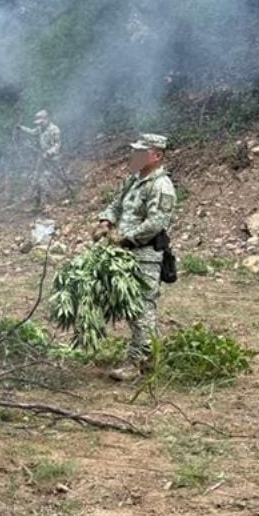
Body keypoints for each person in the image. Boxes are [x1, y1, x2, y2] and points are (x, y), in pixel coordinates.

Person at [93, 134, 177, 381]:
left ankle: (137, 363)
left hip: (145, 255)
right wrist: (105, 222)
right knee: (131, 307)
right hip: (125, 254)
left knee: (142, 308)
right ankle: (148, 355)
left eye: (142, 152)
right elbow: (116, 205)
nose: (135, 156)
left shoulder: (161, 186)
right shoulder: (133, 179)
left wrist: (126, 238)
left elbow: (156, 222)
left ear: (157, 156)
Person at [18, 110, 70, 209]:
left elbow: (57, 145)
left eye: (41, 122)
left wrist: (49, 153)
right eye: (39, 122)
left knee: (58, 176)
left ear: (47, 119)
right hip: (42, 157)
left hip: (54, 158)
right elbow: (32, 132)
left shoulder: (55, 130)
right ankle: (38, 203)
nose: (40, 124)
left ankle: (66, 191)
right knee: (36, 177)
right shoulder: (40, 128)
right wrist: (21, 128)